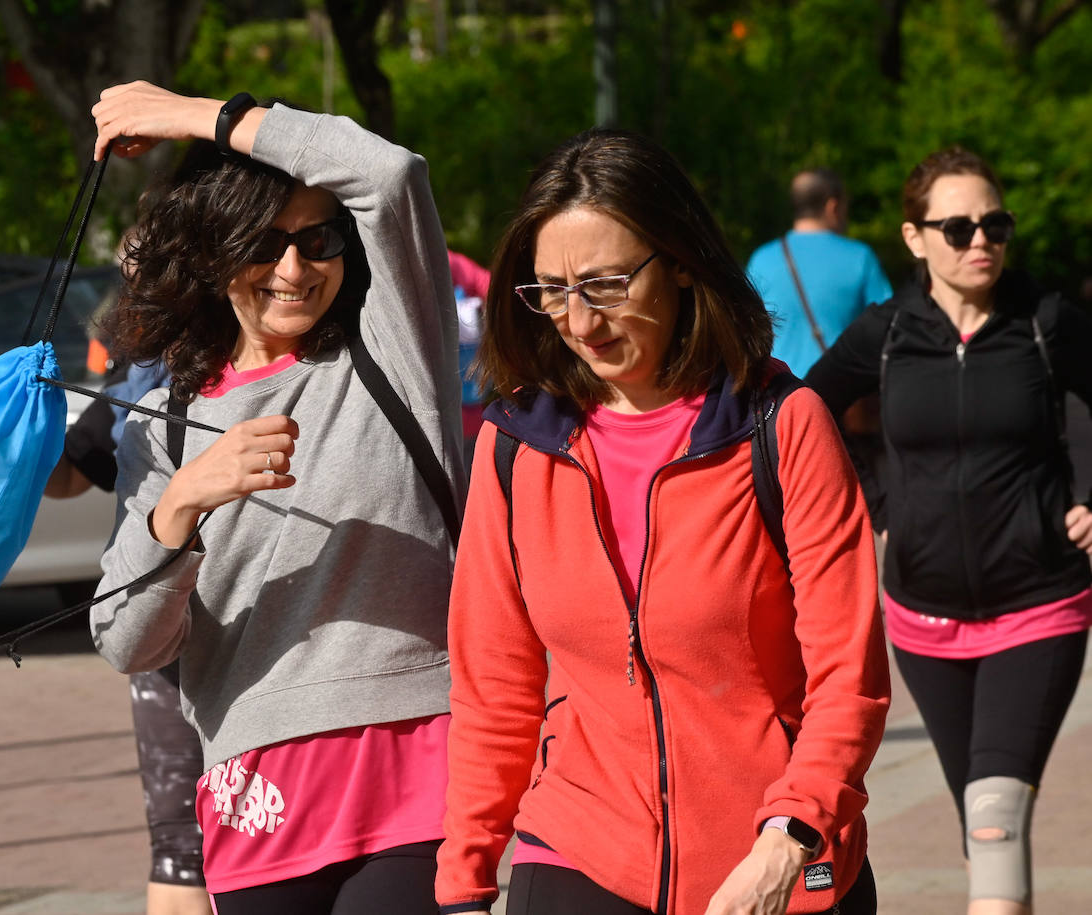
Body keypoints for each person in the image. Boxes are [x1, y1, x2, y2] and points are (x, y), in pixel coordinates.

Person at [435, 129, 890, 915]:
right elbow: (494, 689)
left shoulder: (783, 425)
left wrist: (792, 832)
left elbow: (847, 675)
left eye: (607, 282)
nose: (579, 321)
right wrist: (464, 881)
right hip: (581, 847)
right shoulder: (514, 448)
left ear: (679, 260)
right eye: (550, 289)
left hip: (777, 859)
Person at [86, 82, 463, 915]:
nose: (295, 269)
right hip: (256, 791)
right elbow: (126, 641)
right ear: (215, 246)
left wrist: (195, 116)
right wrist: (180, 506)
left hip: (416, 762)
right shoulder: (169, 419)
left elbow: (390, 174)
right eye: (264, 241)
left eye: (319, 239)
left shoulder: (392, 351)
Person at [805, 147, 1092, 915]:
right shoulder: (888, 332)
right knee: (979, 816)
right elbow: (803, 416)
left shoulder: (1046, 322)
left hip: (1040, 603)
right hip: (924, 622)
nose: (980, 242)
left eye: (995, 225)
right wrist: (874, 502)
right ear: (914, 236)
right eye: (959, 227)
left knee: (996, 818)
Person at [45, 357, 213, 915]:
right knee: (179, 849)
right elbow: (71, 473)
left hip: (271, 636)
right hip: (163, 633)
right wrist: (24, 424)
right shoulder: (149, 373)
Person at [746, 168, 892, 377]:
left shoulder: (761, 258)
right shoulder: (859, 256)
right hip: (841, 396)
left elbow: (746, 329)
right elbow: (887, 326)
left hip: (779, 395)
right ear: (833, 207)